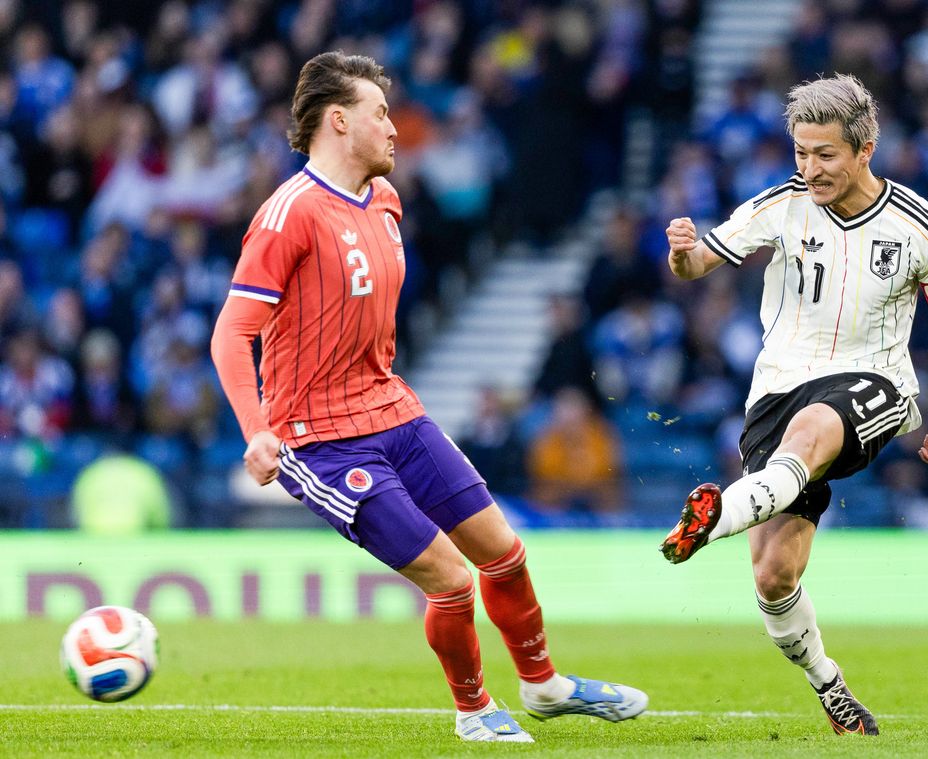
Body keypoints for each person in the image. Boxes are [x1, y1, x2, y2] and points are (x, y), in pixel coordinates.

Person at [210, 51, 646, 744]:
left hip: (394, 411)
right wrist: (256, 428)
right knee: (450, 576)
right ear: (338, 120)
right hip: (319, 440)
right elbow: (232, 334)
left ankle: (544, 685)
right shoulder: (287, 215)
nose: (395, 128)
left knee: (504, 551)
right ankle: (474, 711)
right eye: (381, 114)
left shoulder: (385, 199)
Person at [658, 74, 928, 736]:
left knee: (813, 429)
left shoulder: (924, 228)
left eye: (825, 154)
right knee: (774, 575)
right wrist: (681, 254)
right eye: (800, 152)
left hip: (875, 381)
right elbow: (697, 266)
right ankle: (831, 687)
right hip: (777, 386)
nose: (810, 168)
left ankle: (714, 517)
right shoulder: (780, 205)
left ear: (865, 149)